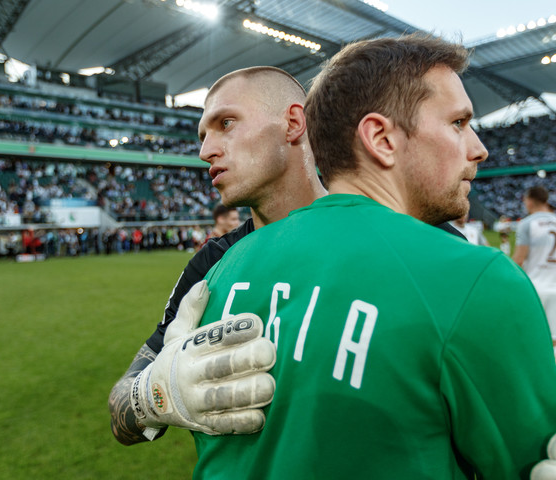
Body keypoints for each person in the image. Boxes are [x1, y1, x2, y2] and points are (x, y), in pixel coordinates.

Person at [188, 35, 556, 479]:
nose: (478, 148)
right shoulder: (473, 278)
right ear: (380, 138)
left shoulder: (226, 269)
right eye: (458, 123)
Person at [108, 66, 327, 445]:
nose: (204, 151)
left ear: (292, 123)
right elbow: (120, 409)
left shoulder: (395, 239)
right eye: (203, 135)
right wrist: (153, 396)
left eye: (226, 123)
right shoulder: (211, 263)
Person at [513, 185, 556, 347]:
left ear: (530, 201)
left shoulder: (527, 224)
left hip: (535, 289)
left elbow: (518, 260)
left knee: (534, 342)